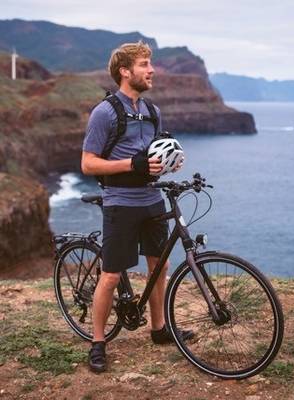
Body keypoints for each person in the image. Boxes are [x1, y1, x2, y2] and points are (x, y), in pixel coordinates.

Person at [81, 41, 192, 373]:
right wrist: (134, 163)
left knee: (159, 267)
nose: (152, 69)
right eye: (145, 64)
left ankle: (159, 330)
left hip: (152, 199)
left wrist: (168, 163)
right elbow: (88, 164)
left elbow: (151, 159)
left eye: (150, 63)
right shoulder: (105, 112)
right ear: (125, 71)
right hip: (120, 203)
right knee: (112, 275)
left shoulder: (152, 112)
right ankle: (98, 342)